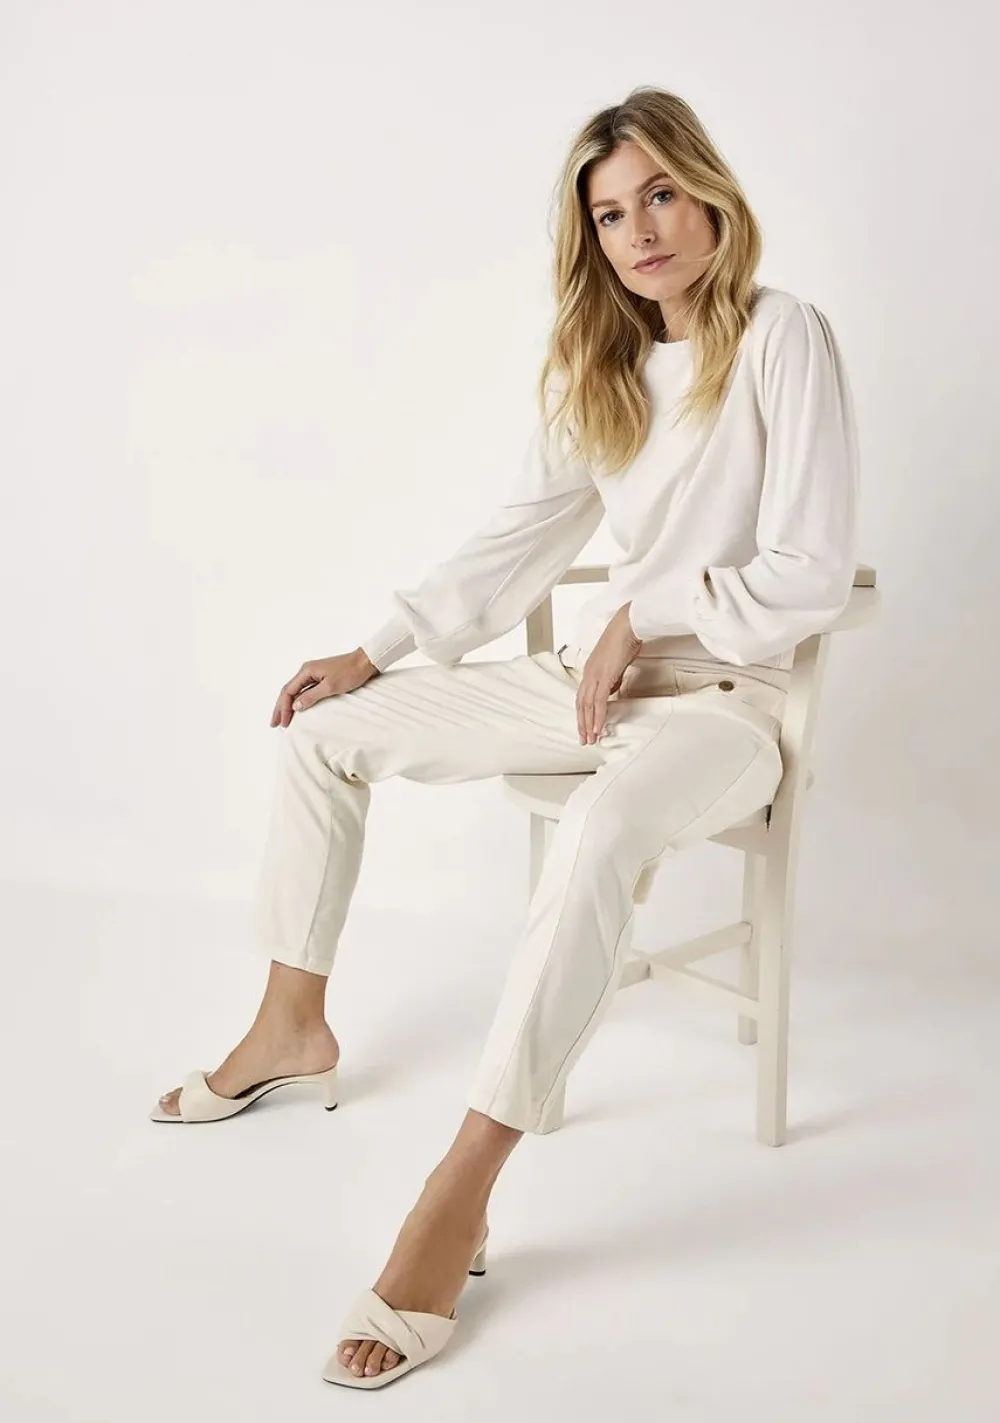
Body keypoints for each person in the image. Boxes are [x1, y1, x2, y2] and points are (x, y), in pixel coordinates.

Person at [152, 85, 860, 1389]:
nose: (640, 231)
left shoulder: (782, 337)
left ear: (709, 195)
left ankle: (462, 1188)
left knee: (598, 828)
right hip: (595, 685)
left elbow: (812, 571)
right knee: (324, 730)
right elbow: (517, 535)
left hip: (728, 701)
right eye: (611, 214)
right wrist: (376, 646)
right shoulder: (603, 366)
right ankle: (291, 1027)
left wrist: (646, 610)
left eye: (659, 194)